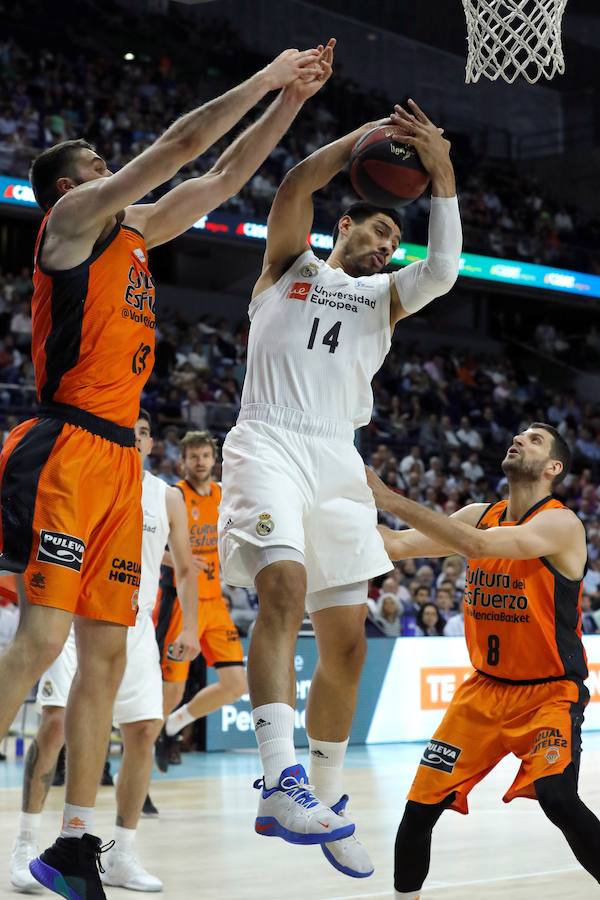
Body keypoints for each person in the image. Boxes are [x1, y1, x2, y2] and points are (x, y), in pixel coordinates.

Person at [0, 42, 334, 899]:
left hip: (120, 462)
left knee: (106, 658)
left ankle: (75, 842)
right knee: (41, 641)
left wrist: (291, 99)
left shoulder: (140, 234)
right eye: (102, 165)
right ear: (73, 187)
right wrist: (264, 74)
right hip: (66, 446)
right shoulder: (69, 228)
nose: (119, 172)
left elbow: (222, 175)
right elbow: (183, 145)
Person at [217, 96, 461, 876]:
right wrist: (363, 138)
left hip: (338, 458)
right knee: (282, 588)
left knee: (348, 644)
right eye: (377, 229)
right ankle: (279, 777)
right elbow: (292, 185)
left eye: (394, 237)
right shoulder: (289, 268)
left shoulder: (386, 299)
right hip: (270, 438)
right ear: (344, 230)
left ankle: (321, 795)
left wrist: (443, 172)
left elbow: (446, 269)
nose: (386, 244)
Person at [367, 423, 600, 897]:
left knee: (557, 799)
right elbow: (393, 545)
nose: (518, 439)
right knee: (419, 809)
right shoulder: (479, 514)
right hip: (483, 690)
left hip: (550, 693)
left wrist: (388, 496)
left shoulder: (561, 523)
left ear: (554, 467)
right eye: (518, 435)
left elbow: (478, 548)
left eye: (534, 439)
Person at [10, 410, 198, 893]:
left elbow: (185, 568)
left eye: (140, 433)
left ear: (151, 443)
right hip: (76, 621)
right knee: (53, 724)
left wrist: (191, 626)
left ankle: (122, 854)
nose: (131, 438)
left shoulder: (166, 495)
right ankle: (25, 843)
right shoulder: (89, 472)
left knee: (143, 732)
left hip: (134, 627)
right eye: (125, 429)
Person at [154, 431, 247, 762]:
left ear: (214, 460)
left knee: (236, 684)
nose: (200, 462)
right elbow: (145, 541)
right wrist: (175, 559)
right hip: (180, 602)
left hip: (215, 601)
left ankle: (174, 724)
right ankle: (141, 770)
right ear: (182, 461)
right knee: (171, 690)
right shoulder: (173, 496)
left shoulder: (222, 495)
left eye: (205, 456)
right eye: (193, 456)